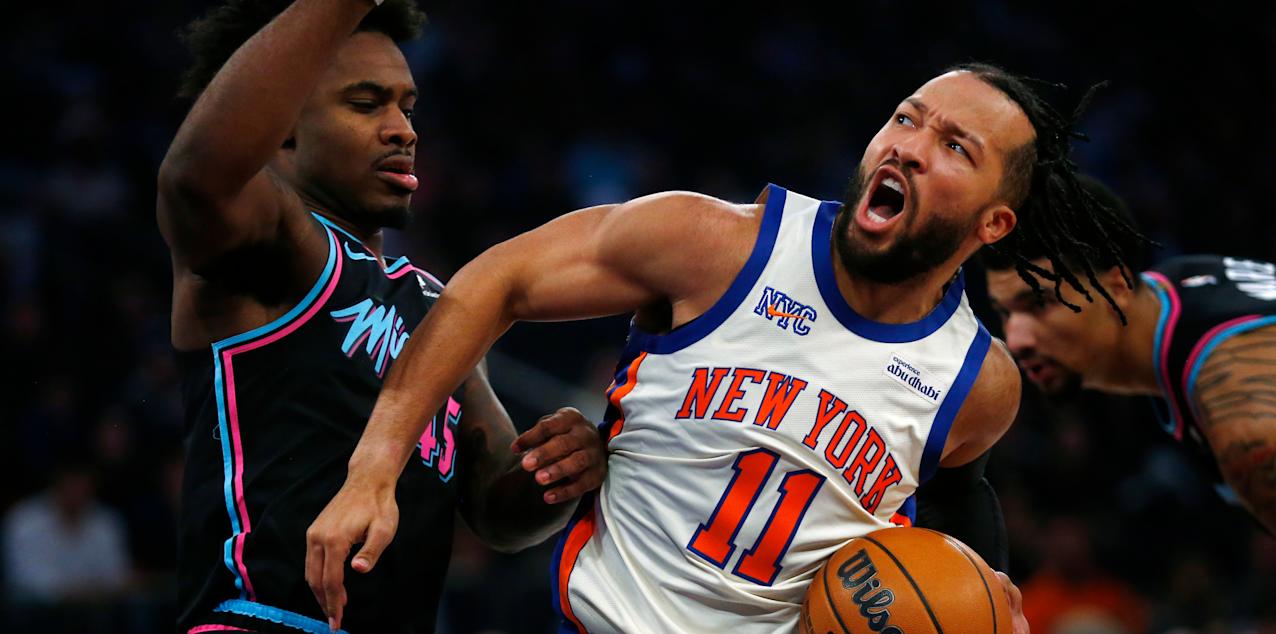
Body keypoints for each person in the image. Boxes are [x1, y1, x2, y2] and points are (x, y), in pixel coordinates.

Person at [308, 61, 1126, 632]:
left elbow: (955, 502)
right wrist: (373, 469)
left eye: (956, 148)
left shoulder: (979, 385)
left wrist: (987, 597)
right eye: (907, 117)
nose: (908, 145)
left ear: (994, 224)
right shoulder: (718, 244)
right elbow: (496, 281)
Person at [157, 1, 606, 632]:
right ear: (281, 125)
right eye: (366, 104)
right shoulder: (276, 251)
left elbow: (497, 508)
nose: (403, 130)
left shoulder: (435, 302)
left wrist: (559, 469)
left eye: (408, 107)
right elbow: (195, 181)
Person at [984, 175, 1276, 533]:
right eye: (1006, 312)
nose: (1017, 340)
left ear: (1117, 288)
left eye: (1040, 303)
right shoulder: (1184, 285)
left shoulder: (1246, 422)